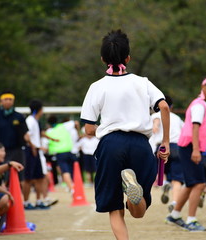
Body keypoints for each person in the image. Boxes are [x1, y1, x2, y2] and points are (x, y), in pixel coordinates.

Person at [80, 29, 170, 240]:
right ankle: (132, 189)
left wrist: (104, 127)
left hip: (110, 144)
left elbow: (89, 128)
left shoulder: (96, 87)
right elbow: (164, 107)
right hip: (140, 144)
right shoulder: (143, 82)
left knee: (113, 206)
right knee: (139, 211)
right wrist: (165, 142)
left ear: (103, 59)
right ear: (128, 57)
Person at [166, 76, 206, 232]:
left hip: (193, 147)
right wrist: (196, 149)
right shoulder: (199, 105)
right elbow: (195, 127)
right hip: (189, 146)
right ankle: (191, 220)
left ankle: (175, 215)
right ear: (202, 87)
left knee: (191, 184)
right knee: (200, 184)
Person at [0, 90, 35, 183]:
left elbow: (26, 134)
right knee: (3, 176)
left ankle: (20, 197)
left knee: (20, 176)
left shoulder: (19, 116)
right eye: (6, 99)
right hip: (2, 151)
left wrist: (32, 145)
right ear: (1, 101)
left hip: (18, 150)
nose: (8, 101)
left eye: (10, 99)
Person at [150, 96, 184, 212]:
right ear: (172, 106)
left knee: (160, 171)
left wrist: (155, 126)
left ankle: (164, 183)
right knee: (177, 179)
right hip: (177, 147)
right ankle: (174, 202)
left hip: (162, 147)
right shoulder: (177, 118)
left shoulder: (156, 115)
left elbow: (156, 121)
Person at [23, 100, 59, 210]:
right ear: (39, 110)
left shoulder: (35, 121)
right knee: (28, 178)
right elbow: (27, 136)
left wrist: (52, 139)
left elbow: (39, 133)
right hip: (31, 151)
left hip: (37, 151)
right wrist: (34, 147)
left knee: (39, 177)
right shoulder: (30, 120)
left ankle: (39, 201)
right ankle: (26, 202)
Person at [46, 115, 76, 194]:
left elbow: (47, 144)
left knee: (65, 171)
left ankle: (71, 188)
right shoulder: (64, 126)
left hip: (59, 153)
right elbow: (75, 123)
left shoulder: (49, 131)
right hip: (69, 151)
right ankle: (72, 185)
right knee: (70, 169)